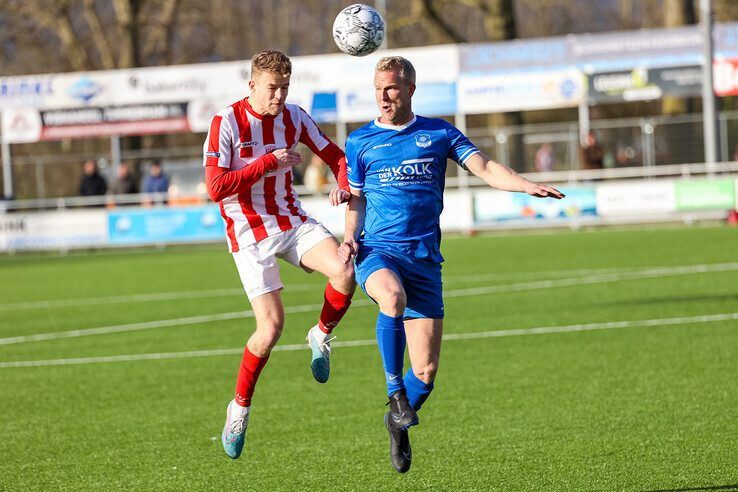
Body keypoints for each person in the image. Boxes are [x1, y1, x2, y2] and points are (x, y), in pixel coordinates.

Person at [338, 56, 564, 474]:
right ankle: (394, 394)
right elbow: (356, 197)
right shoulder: (359, 141)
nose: (383, 97)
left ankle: (396, 420)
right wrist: (350, 236)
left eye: (391, 88)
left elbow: (485, 167)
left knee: (425, 372)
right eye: (377, 89)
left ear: (409, 89)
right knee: (391, 297)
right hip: (380, 251)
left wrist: (525, 185)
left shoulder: (439, 133)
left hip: (425, 258)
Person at [203, 50, 355, 460]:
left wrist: (342, 182)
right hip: (248, 234)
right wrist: (269, 162)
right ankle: (239, 409)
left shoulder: (295, 117)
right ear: (252, 84)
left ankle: (320, 335)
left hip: (290, 221)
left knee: (344, 269)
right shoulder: (226, 123)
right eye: (273, 88)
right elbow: (216, 187)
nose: (279, 95)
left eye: (285, 87)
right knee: (269, 331)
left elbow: (336, 156)